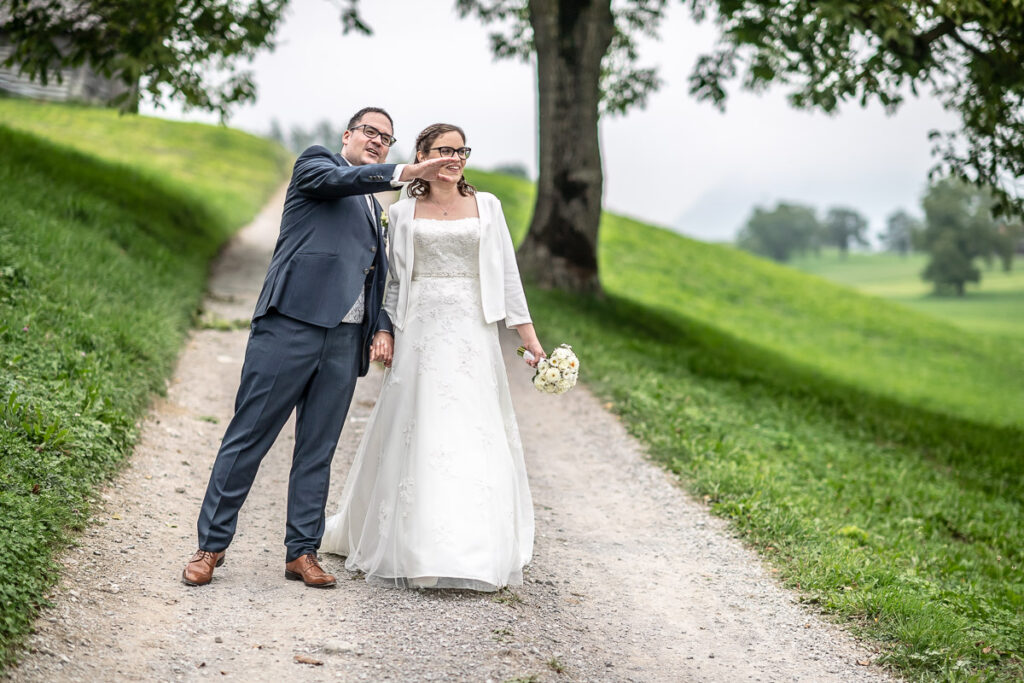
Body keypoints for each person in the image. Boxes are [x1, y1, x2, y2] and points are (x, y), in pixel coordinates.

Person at [182, 107, 460, 588]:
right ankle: (211, 546)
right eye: (370, 132)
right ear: (347, 135)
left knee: (318, 450)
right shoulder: (317, 165)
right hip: (290, 326)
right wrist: (407, 171)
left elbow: (378, 275)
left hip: (344, 341)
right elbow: (338, 181)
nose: (378, 141)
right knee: (249, 437)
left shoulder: (374, 207)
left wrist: (381, 325)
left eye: (386, 138)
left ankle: (302, 552)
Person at [320, 123, 545, 591]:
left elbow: (507, 275)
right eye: (445, 150)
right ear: (421, 156)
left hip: (472, 333)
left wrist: (529, 339)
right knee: (420, 426)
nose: (455, 158)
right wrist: (385, 329)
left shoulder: (488, 206)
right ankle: (415, 547)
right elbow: (392, 280)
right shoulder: (402, 212)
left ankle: (474, 549)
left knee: (471, 428)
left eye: (462, 151)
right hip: (419, 328)